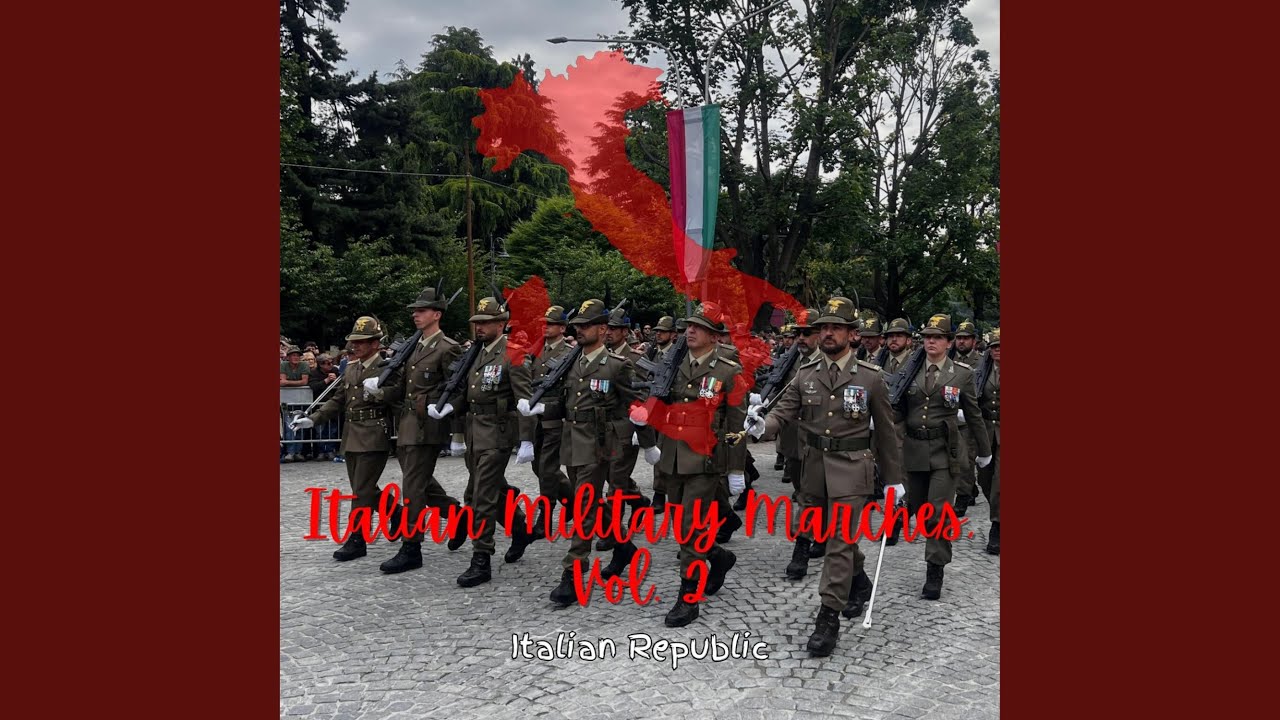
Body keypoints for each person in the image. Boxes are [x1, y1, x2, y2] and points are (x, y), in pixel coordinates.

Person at [745, 295, 903, 656]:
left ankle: (828, 616)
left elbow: (887, 432)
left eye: (836, 328)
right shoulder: (805, 375)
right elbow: (781, 415)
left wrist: (894, 481)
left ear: (852, 334)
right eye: (824, 328)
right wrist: (759, 426)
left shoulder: (871, 378)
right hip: (813, 469)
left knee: (838, 543)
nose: (828, 333)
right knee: (826, 535)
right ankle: (859, 582)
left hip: (852, 469)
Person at [522, 299, 657, 604]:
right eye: (578, 326)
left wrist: (646, 441)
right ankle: (624, 547)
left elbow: (636, 403)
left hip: (599, 444)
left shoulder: (616, 365)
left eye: (585, 326)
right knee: (593, 502)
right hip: (572, 441)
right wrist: (538, 408)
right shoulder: (570, 362)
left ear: (602, 329)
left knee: (583, 504)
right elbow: (563, 401)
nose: (579, 331)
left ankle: (573, 571)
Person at [633, 305, 748, 627]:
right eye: (688, 326)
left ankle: (688, 596)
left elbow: (736, 423)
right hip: (671, 456)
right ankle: (718, 557)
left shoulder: (727, 371)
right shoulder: (672, 365)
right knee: (683, 525)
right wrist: (645, 428)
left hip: (704, 459)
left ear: (713, 335)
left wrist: (736, 469)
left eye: (698, 327)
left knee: (688, 527)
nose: (690, 331)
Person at [428, 297, 537, 587]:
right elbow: (465, 393)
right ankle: (520, 528)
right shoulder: (474, 353)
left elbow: (524, 399)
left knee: (481, 496)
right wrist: (450, 410)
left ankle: (482, 557)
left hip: (498, 433)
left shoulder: (513, 354)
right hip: (475, 431)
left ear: (501, 324)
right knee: (491, 490)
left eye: (486, 322)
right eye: (477, 323)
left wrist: (526, 439)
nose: (480, 327)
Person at [290, 317, 403, 561]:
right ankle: (396, 513)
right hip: (352, 434)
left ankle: (357, 539)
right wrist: (314, 419)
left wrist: (382, 391)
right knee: (362, 488)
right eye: (354, 342)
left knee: (361, 491)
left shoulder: (387, 368)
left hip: (374, 433)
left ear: (375, 343)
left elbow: (398, 397)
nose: (356, 346)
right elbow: (337, 400)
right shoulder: (351, 368)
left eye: (362, 342)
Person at [899, 314, 992, 599]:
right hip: (913, 450)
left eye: (937, 337)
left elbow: (974, 416)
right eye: (927, 337)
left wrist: (984, 451)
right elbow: (896, 409)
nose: (931, 341)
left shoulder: (962, 374)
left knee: (937, 511)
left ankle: (935, 567)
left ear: (948, 342)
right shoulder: (908, 371)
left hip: (945, 452)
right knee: (913, 505)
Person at [376, 287, 467, 574]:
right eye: (415, 310)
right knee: (421, 482)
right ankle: (456, 515)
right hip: (406, 425)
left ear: (436, 315)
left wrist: (454, 429)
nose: (415, 314)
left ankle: (411, 546)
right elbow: (403, 388)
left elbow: (456, 388)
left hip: (426, 427)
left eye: (422, 310)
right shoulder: (414, 346)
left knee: (412, 488)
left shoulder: (447, 347)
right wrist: (378, 389)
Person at [599, 306, 653, 550]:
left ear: (625, 332)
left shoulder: (634, 359)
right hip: (601, 429)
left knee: (616, 482)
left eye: (614, 329)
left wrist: (639, 429)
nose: (609, 333)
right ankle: (639, 500)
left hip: (623, 427)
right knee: (610, 476)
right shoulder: (601, 356)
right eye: (607, 328)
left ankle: (613, 532)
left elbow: (642, 393)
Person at [526, 305, 575, 540]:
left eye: (551, 324)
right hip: (535, 420)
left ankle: (545, 517)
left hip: (555, 419)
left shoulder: (569, 353)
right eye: (544, 324)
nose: (546, 327)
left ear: (563, 328)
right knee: (539, 467)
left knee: (547, 469)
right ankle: (572, 501)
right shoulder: (537, 351)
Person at [950, 320, 984, 515]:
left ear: (974, 341)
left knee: (966, 458)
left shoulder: (980, 362)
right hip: (950, 414)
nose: (961, 342)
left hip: (969, 415)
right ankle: (968, 488)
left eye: (965, 338)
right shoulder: (948, 359)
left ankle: (963, 495)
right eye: (959, 338)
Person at [645, 315, 678, 515]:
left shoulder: (676, 354)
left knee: (665, 452)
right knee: (656, 451)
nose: (658, 334)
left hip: (668, 410)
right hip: (652, 409)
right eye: (657, 331)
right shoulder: (653, 353)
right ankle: (660, 491)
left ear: (673, 334)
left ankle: (661, 492)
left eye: (662, 331)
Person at [976, 328, 1001, 554]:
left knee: (999, 483)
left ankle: (997, 525)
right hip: (985, 430)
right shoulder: (982, 371)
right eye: (994, 347)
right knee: (984, 477)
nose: (997, 351)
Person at [307, 354, 341, 460]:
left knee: (332, 429)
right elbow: (313, 386)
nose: (331, 365)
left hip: (332, 405)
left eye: (331, 362)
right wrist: (326, 381)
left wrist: (336, 380)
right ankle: (321, 451)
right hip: (319, 405)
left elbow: (342, 385)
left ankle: (330, 450)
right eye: (328, 363)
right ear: (321, 364)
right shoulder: (314, 373)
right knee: (320, 430)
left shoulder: (335, 370)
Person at [280, 346, 309, 462]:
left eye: (297, 355)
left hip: (302, 399)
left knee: (300, 425)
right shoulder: (283, 365)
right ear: (288, 357)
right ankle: (290, 452)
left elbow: (304, 381)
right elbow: (281, 382)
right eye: (293, 355)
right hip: (287, 400)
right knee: (288, 426)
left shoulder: (304, 365)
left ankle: (298, 451)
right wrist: (296, 383)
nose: (295, 357)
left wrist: (287, 382)